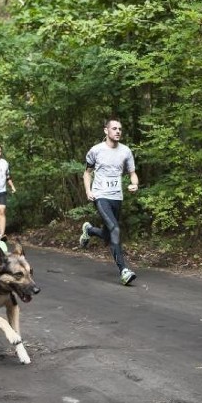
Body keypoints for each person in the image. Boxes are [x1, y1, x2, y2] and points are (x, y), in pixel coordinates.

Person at [78, 118, 139, 286]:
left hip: (117, 197)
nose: (118, 131)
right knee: (115, 229)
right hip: (100, 196)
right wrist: (88, 191)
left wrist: (135, 184)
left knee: (108, 234)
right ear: (106, 131)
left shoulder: (126, 151)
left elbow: (132, 173)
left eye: (120, 128)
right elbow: (87, 173)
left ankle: (89, 230)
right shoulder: (96, 150)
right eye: (114, 128)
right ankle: (124, 270)